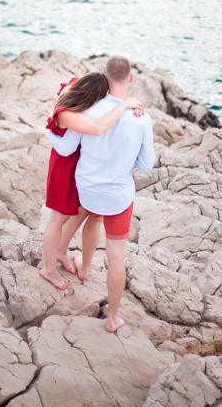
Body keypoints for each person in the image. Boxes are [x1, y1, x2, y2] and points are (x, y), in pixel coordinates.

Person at [48, 56, 155, 332]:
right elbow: (145, 166)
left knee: (93, 218)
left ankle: (82, 266)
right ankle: (112, 318)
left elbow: (68, 147)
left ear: (105, 78)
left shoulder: (88, 109)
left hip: (88, 189)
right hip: (118, 195)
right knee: (116, 255)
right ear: (130, 78)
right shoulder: (141, 118)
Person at [40, 72, 144, 291]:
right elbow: (94, 130)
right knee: (57, 218)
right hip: (63, 168)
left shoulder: (75, 94)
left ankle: (60, 251)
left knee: (80, 210)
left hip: (77, 167)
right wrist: (123, 105)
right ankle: (48, 269)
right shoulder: (66, 114)